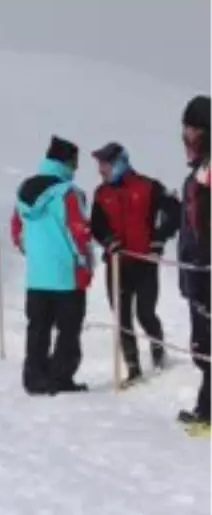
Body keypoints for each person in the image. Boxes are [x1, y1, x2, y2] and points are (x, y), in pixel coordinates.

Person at [89, 143, 180, 381]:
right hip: (117, 264)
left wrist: (159, 239)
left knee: (145, 313)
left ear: (120, 162)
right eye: (100, 165)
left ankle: (158, 352)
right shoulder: (101, 193)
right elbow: (96, 225)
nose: (101, 170)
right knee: (122, 317)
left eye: (105, 164)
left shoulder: (148, 186)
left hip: (144, 262)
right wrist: (108, 240)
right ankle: (133, 368)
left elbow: (175, 212)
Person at [10, 136, 93, 395]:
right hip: (66, 275)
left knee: (38, 328)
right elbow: (78, 233)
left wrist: (35, 253)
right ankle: (60, 378)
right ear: (66, 162)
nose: (76, 168)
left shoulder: (24, 190)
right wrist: (85, 266)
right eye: (74, 163)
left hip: (36, 276)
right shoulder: (68, 192)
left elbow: (17, 231)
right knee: (68, 330)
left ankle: (34, 378)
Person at [177, 96, 212, 428]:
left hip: (208, 274)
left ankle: (209, 413)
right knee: (203, 346)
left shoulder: (209, 174)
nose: (186, 137)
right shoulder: (200, 172)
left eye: (193, 130)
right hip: (198, 275)